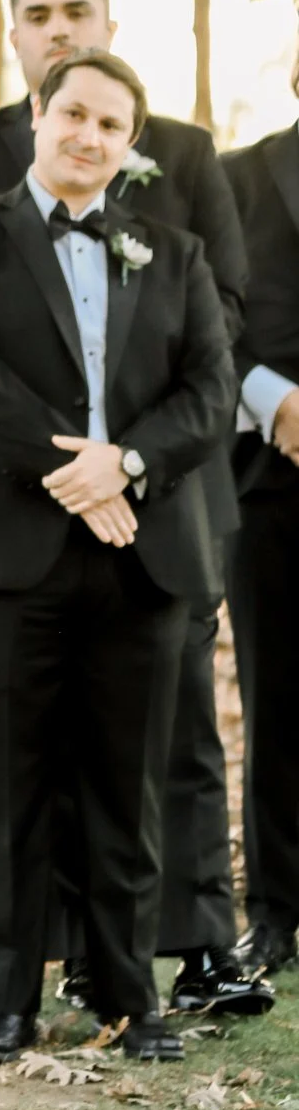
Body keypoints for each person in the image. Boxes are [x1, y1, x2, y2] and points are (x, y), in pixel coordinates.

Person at [0, 0, 258, 1021]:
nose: (87, 132)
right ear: (33, 94)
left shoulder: (167, 202)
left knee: (157, 760)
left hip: (154, 516)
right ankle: (9, 990)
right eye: (39, 16)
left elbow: (213, 344)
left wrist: (125, 462)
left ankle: (172, 963)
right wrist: (71, 466)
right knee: (13, 774)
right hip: (3, 519)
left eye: (79, 12)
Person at [220, 82, 299, 977]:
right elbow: (214, 315)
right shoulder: (240, 178)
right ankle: (275, 909)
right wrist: (276, 401)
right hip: (268, 481)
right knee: (274, 700)